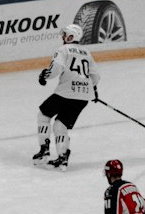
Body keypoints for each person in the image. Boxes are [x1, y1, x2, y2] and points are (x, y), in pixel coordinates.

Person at [34, 21, 101, 168]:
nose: (63, 37)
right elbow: (95, 76)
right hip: (83, 97)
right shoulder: (87, 53)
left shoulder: (63, 49)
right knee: (60, 125)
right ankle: (62, 157)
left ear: (71, 36)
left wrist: (45, 76)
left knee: (43, 115)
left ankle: (44, 151)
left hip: (65, 93)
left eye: (65, 34)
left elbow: (56, 68)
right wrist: (92, 90)